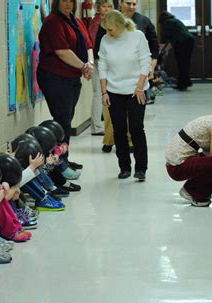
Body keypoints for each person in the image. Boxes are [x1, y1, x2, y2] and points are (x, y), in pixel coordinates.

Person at [37, 0, 94, 173]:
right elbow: (62, 51)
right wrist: (84, 66)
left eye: (71, 1)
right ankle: (59, 163)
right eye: (64, 1)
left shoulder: (75, 21)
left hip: (72, 77)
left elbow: (88, 44)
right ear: (56, 3)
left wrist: (89, 63)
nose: (68, 5)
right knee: (62, 121)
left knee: (66, 119)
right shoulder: (52, 22)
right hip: (55, 77)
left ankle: (64, 159)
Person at [99, 10, 151, 181]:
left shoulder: (137, 36)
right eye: (105, 30)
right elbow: (103, 66)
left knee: (136, 128)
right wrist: (104, 92)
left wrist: (140, 87)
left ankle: (141, 168)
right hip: (114, 91)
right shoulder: (105, 40)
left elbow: (145, 62)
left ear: (120, 26)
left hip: (137, 89)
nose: (108, 33)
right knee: (119, 130)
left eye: (110, 29)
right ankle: (124, 167)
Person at [88, 0, 114, 136]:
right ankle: (96, 126)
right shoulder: (98, 21)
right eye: (104, 6)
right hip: (99, 61)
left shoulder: (107, 20)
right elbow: (92, 42)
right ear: (98, 8)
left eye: (109, 6)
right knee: (99, 93)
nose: (107, 9)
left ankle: (100, 124)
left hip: (104, 61)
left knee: (102, 93)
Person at [158, 11, 194, 91]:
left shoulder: (166, 23)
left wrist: (159, 53)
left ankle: (182, 84)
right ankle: (185, 83)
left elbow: (164, 40)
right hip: (189, 41)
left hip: (182, 43)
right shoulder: (175, 21)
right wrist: (165, 50)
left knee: (181, 63)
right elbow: (171, 41)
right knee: (185, 63)